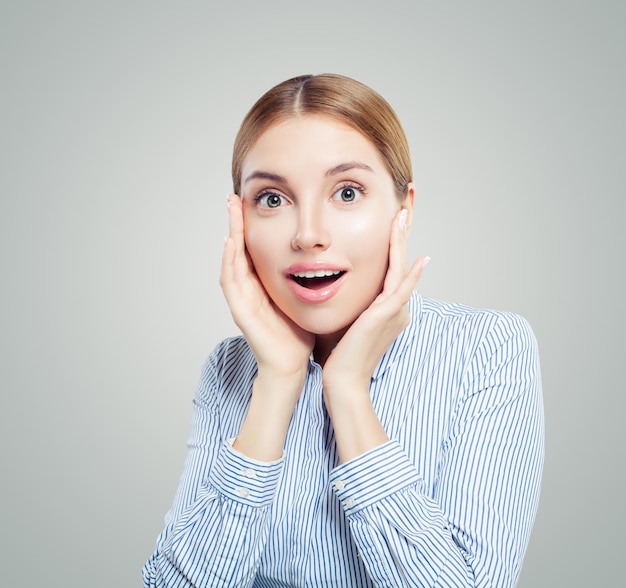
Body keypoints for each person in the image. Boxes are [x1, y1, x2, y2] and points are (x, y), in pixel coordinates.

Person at [143, 74, 544, 587]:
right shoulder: (231, 367)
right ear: (239, 219)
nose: (308, 234)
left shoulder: (487, 349)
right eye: (271, 199)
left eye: (347, 192)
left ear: (404, 211)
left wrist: (348, 392)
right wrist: (277, 383)